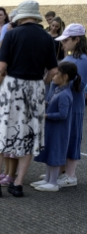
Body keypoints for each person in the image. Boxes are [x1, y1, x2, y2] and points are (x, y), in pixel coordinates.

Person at [0, 0, 58, 198]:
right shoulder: (47, 37)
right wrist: (41, 82)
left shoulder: (13, 34)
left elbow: (0, 67)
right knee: (29, 135)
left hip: (13, 85)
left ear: (20, 17)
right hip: (36, 88)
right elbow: (54, 71)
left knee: (0, 133)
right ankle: (18, 184)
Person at [32, 62, 80, 192]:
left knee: (55, 153)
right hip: (52, 129)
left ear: (64, 77)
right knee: (49, 152)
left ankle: (53, 182)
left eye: (57, 73)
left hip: (59, 131)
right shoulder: (58, 89)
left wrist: (46, 115)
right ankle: (48, 179)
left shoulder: (65, 94)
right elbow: (54, 105)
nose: (53, 76)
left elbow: (63, 114)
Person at [53, 23, 87, 187]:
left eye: (66, 40)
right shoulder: (68, 58)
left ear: (77, 39)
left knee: (72, 137)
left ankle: (71, 175)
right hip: (64, 104)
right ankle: (61, 171)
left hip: (75, 107)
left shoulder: (83, 60)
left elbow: (80, 85)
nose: (63, 43)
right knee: (63, 137)